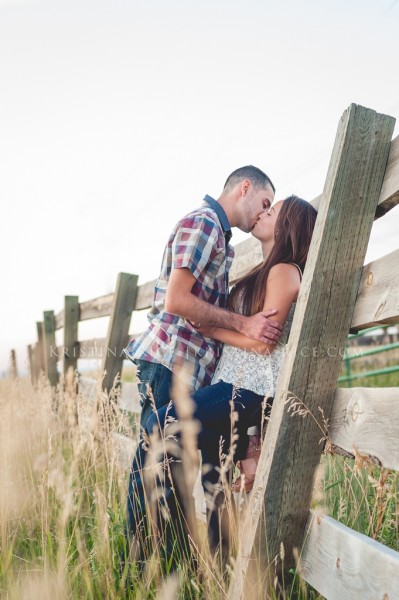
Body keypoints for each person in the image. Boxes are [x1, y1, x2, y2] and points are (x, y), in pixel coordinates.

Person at [144, 195, 317, 560]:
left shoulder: (285, 271)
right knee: (214, 477)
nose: (264, 212)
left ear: (290, 227)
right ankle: (217, 569)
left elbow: (263, 346)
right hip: (232, 384)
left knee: (162, 425)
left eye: (273, 210)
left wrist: (211, 328)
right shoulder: (264, 270)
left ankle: (154, 550)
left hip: (248, 387)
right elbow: (252, 334)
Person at [123, 166, 282, 564]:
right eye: (264, 203)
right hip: (170, 362)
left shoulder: (221, 240)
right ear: (244, 188)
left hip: (186, 367)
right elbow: (177, 301)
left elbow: (203, 316)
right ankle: (141, 568)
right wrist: (245, 323)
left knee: (171, 474)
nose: (262, 214)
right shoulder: (206, 222)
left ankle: (172, 569)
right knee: (157, 467)